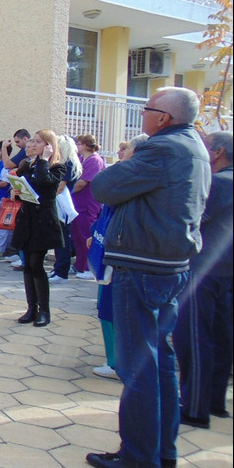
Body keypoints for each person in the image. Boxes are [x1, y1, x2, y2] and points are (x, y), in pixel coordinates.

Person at [86, 87, 210, 468]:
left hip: (143, 268)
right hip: (167, 266)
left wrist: (131, 161)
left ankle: (139, 457)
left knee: (138, 366)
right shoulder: (194, 146)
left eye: (146, 109)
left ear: (163, 118)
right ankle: (160, 453)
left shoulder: (162, 149)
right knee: (159, 363)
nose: (141, 115)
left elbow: (104, 186)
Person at [174, 130, 233, 429]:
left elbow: (193, 218)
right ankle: (214, 402)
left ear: (218, 152)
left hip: (205, 271)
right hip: (225, 272)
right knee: (223, 338)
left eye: (206, 145)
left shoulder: (220, 183)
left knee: (194, 338)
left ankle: (195, 409)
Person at [92, 133, 148, 381]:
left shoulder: (131, 179)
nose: (121, 153)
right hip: (112, 247)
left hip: (119, 256)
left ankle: (118, 363)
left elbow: (102, 190)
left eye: (126, 150)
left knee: (111, 309)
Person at [11, 129, 66, 328]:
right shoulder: (28, 165)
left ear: (49, 146)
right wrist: (17, 191)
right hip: (27, 220)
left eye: (38, 142)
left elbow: (45, 184)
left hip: (43, 222)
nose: (33, 145)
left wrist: (44, 159)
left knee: (36, 264)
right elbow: (25, 186)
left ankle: (45, 311)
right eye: (32, 141)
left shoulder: (57, 167)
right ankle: (31, 308)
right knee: (28, 265)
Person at [71, 134, 105, 280]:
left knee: (86, 236)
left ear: (85, 145)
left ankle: (89, 268)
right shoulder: (81, 159)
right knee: (77, 236)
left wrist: (65, 192)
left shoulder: (94, 160)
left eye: (78, 144)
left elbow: (82, 182)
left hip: (88, 204)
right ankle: (79, 264)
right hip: (77, 204)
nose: (76, 146)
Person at [49, 135, 83, 283]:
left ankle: (62, 271)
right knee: (58, 238)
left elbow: (60, 186)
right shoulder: (66, 162)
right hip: (59, 204)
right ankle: (58, 268)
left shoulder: (68, 163)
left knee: (62, 238)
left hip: (62, 206)